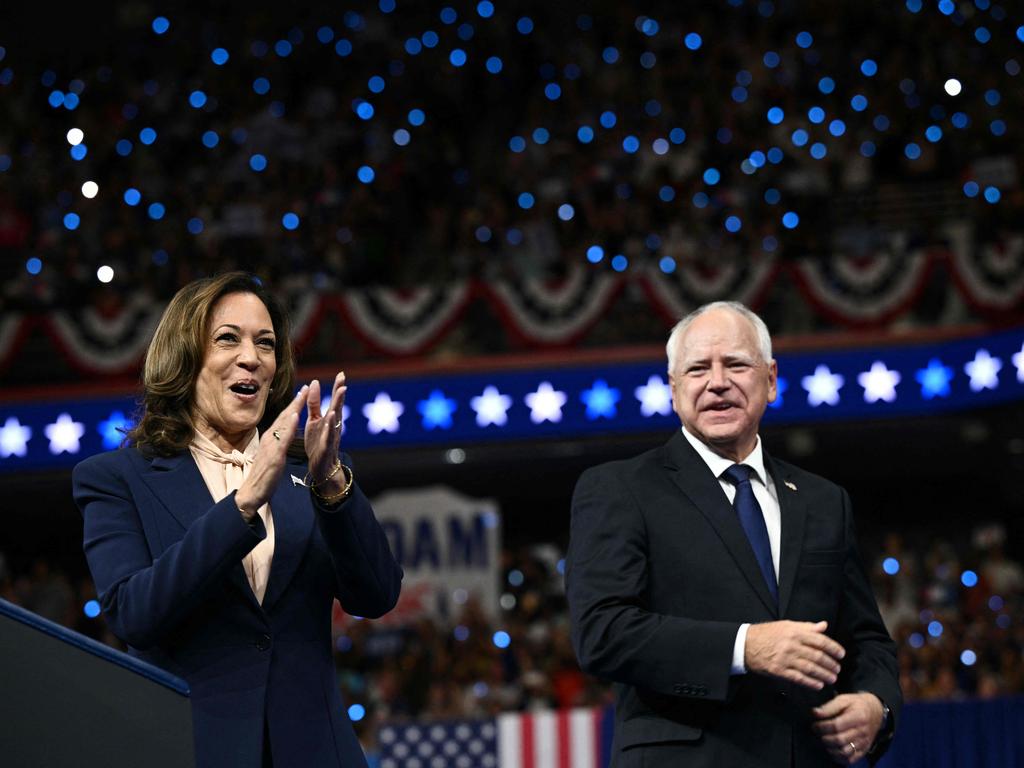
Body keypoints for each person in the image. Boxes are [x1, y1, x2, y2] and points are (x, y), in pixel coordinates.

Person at [73, 272, 402, 768]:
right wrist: (243, 504)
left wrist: (332, 483)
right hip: (192, 750)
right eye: (228, 338)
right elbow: (134, 614)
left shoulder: (312, 471)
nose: (251, 356)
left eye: (265, 344)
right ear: (185, 357)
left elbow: (377, 594)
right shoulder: (115, 478)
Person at [566, 301, 900, 767]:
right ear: (674, 388)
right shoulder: (620, 489)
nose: (717, 381)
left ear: (770, 380)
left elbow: (867, 640)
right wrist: (747, 647)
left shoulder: (824, 501)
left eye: (736, 364)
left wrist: (875, 705)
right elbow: (602, 633)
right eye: (698, 368)